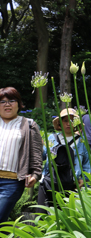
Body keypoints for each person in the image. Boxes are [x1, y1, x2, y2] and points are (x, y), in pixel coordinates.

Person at [0, 87, 42, 223]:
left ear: (18, 104)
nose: (7, 104)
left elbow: (36, 153)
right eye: (2, 101)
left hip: (11, 183)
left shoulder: (28, 125)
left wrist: (35, 174)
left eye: (11, 100)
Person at [37, 108, 91, 212]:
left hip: (72, 183)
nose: (68, 123)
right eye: (65, 120)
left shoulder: (81, 141)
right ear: (60, 123)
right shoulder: (51, 138)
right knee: (41, 213)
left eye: (72, 120)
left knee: (67, 214)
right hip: (50, 182)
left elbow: (87, 163)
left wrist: (83, 180)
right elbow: (42, 157)